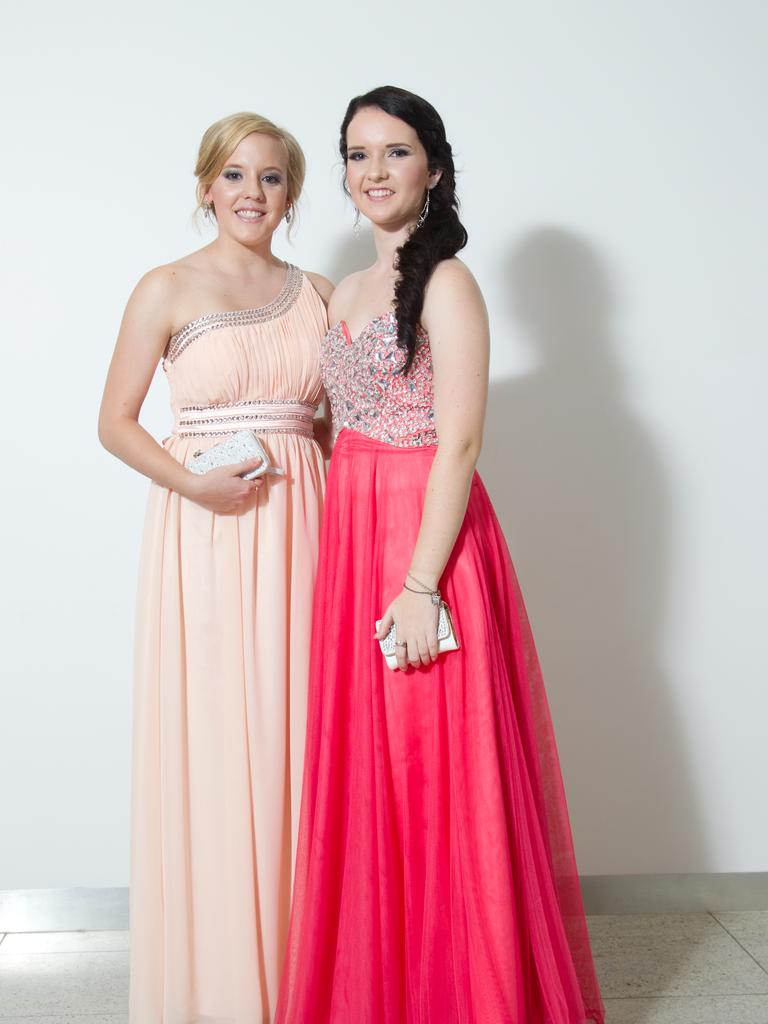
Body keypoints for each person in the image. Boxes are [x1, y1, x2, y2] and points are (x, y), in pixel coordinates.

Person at [277, 87, 605, 1024]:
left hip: (429, 541)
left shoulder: (451, 283)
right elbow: (335, 420)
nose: (371, 171)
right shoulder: (341, 290)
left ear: (434, 167)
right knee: (373, 773)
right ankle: (381, 990)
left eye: (394, 151)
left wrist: (421, 586)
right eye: (355, 154)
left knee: (438, 768)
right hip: (353, 532)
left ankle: (468, 994)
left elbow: (459, 442)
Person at [98, 112, 333, 1024]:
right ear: (205, 187)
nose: (251, 194)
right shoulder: (166, 287)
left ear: (292, 193)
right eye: (233, 176)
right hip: (208, 534)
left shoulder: (316, 291)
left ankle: (308, 974)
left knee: (306, 740)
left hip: (305, 528)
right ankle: (227, 985)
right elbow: (115, 421)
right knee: (222, 738)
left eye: (271, 179)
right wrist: (193, 485)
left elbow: (328, 427)